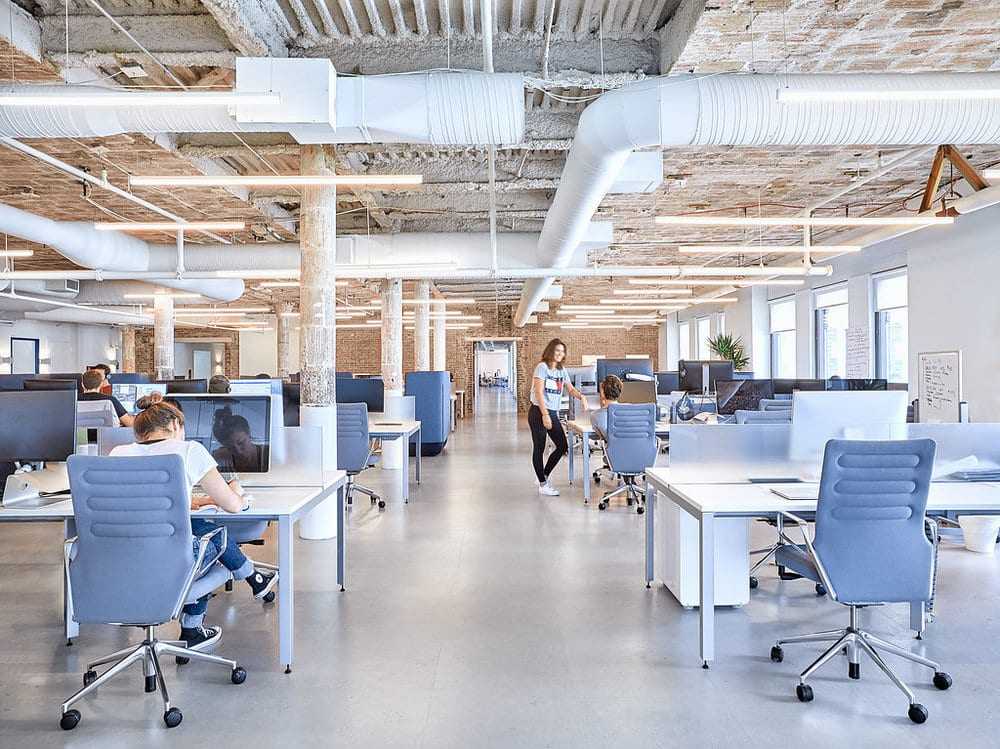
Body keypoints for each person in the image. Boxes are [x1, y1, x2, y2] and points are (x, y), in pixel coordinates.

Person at [110, 401, 278, 650]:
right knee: (218, 538)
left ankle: (248, 585)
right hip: (173, 558)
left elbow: (147, 504)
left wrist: (198, 501)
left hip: (122, 557)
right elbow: (233, 506)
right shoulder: (189, 450)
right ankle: (246, 580)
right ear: (175, 424)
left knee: (197, 526)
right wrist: (236, 491)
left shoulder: (118, 453)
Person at [528, 338, 589, 496]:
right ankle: (543, 485)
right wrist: (545, 414)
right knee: (539, 447)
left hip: (552, 412)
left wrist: (582, 397)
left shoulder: (562, 370)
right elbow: (538, 392)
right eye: (557, 350)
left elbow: (571, 389)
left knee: (562, 446)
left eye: (562, 352)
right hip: (538, 411)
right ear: (550, 351)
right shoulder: (542, 367)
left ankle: (543, 475)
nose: (560, 354)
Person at [211, 408, 266, 473]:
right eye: (230, 448)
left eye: (241, 443)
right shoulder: (220, 457)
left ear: (248, 433)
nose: (238, 451)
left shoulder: (267, 454)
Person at [591, 374, 624, 442]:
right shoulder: (631, 409)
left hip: (615, 447)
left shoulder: (595, 415)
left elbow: (602, 437)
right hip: (638, 447)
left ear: (602, 392)